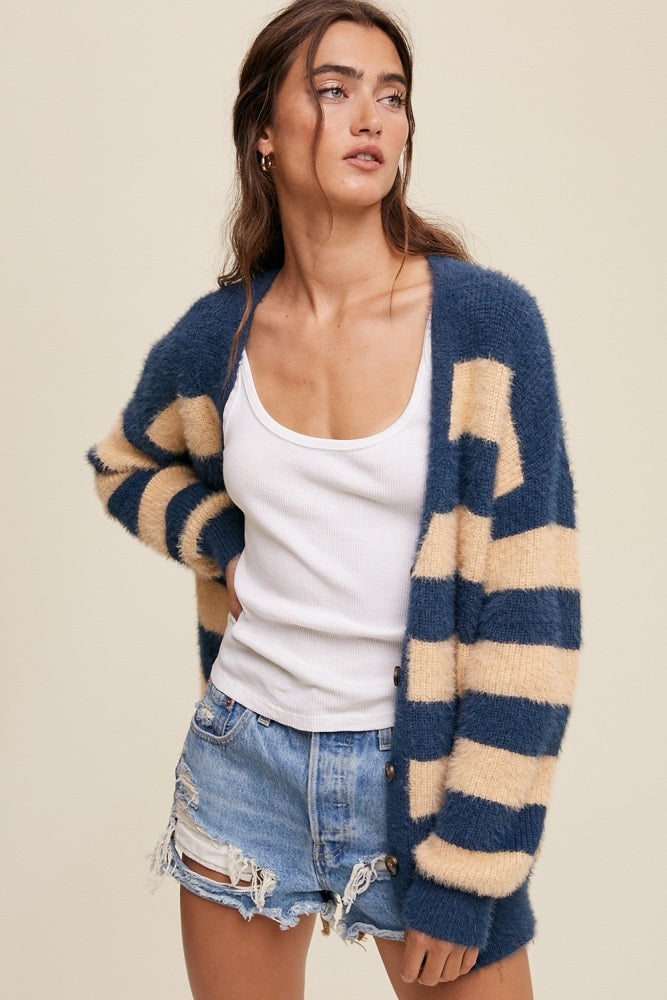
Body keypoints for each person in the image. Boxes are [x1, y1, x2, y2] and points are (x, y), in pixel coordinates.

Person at [85, 1, 581, 996]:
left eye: (391, 97)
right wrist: (222, 540)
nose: (371, 118)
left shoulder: (486, 327)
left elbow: (533, 617)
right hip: (242, 759)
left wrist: (469, 870)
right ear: (263, 134)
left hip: (422, 782)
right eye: (333, 89)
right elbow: (122, 465)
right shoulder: (221, 335)